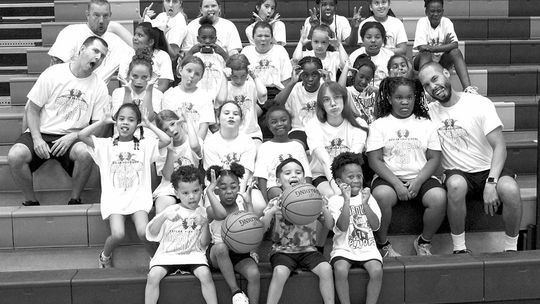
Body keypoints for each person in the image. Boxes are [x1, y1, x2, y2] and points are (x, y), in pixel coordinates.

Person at [418, 62, 523, 253]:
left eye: (435, 79)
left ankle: (511, 249)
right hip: (458, 173)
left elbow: (500, 146)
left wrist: (491, 183)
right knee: (456, 184)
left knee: (511, 189)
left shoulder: (479, 103)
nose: (433, 87)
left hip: (487, 170)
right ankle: (459, 249)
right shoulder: (429, 114)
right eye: (426, 85)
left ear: (446, 73)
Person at [8, 36, 110, 207]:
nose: (98, 58)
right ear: (82, 49)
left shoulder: (99, 86)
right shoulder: (53, 73)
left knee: (85, 153)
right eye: (95, 51)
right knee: (15, 155)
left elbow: (98, 126)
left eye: (103, 56)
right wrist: (37, 138)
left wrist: (75, 136)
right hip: (42, 132)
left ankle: (75, 199)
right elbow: (32, 109)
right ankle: (30, 201)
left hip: (73, 137)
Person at [78, 103, 170, 267]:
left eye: (131, 120)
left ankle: (155, 259)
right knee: (118, 234)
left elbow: (166, 140)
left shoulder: (144, 145)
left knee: (144, 232)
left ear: (137, 124)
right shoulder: (105, 144)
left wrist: (149, 125)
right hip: (114, 200)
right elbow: (82, 135)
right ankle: (105, 256)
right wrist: (101, 122)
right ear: (115, 121)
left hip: (138, 199)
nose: (125, 123)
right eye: (121, 119)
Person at [367, 76, 446, 257]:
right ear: (389, 98)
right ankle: (382, 244)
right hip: (389, 177)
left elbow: (434, 158)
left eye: (409, 97)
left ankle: (424, 242)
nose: (404, 102)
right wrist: (396, 184)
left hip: (420, 176)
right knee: (381, 195)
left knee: (438, 197)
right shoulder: (379, 125)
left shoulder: (426, 124)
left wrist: (418, 181)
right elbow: (375, 160)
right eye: (399, 97)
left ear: (415, 98)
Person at [260, 158, 335, 304]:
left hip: (309, 250)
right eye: (287, 173)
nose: (294, 175)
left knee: (326, 268)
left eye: (298, 172)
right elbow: (262, 228)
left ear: (304, 178)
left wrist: (323, 207)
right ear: (278, 180)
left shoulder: (313, 200)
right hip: (282, 251)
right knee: (279, 272)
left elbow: (330, 225)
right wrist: (271, 212)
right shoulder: (275, 202)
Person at [144, 165, 217, 304]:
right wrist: (163, 216)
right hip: (167, 256)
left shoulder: (203, 213)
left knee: (205, 274)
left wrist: (205, 224)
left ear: (201, 189)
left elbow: (204, 244)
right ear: (177, 193)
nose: (191, 196)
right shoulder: (171, 210)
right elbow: (152, 233)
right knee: (153, 276)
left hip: (193, 255)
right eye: (185, 193)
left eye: (195, 191)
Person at [328, 152, 382, 304]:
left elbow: (376, 226)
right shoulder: (334, 201)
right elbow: (343, 227)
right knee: (340, 269)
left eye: (359, 176)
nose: (357, 180)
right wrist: (346, 201)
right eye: (351, 177)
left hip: (368, 248)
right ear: (339, 181)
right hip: (343, 249)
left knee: (376, 270)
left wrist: (365, 204)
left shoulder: (368, 197)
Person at [205, 163, 260, 304]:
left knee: (254, 274)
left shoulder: (242, 205)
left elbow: (254, 227)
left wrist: (249, 204)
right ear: (216, 190)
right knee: (222, 247)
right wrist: (209, 191)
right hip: (217, 254)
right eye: (223, 188)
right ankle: (235, 291)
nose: (229, 191)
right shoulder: (211, 209)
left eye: (233, 187)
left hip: (239, 253)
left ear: (238, 187)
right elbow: (221, 214)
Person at [305, 81, 368, 198]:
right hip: (322, 175)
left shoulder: (359, 123)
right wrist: (337, 190)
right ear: (321, 104)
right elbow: (324, 161)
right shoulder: (313, 124)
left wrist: (347, 186)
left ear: (344, 99)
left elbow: (353, 158)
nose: (333, 103)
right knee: (331, 195)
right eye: (326, 100)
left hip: (350, 174)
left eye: (337, 97)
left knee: (357, 196)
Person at [48, 0, 131, 83]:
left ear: (110, 16)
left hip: (97, 93)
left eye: (105, 16)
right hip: (67, 89)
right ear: (87, 15)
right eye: (96, 15)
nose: (101, 21)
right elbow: (54, 70)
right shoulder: (71, 32)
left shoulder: (118, 43)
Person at [413, 0, 478, 94]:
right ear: (426, 12)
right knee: (426, 53)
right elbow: (422, 48)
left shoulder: (447, 22)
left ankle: (468, 89)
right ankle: (424, 91)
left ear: (442, 11)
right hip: (422, 60)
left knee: (455, 52)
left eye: (439, 11)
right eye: (432, 11)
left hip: (442, 59)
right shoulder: (422, 22)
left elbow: (454, 44)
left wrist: (432, 48)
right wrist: (445, 46)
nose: (435, 14)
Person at [254, 106, 312, 202]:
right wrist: (264, 201)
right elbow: (262, 176)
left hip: (298, 187)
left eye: (283, 120)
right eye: (274, 122)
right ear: (269, 126)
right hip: (274, 187)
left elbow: (307, 173)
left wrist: (309, 192)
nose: (279, 124)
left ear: (290, 123)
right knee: (280, 194)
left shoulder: (297, 146)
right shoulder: (265, 147)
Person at [153, 110, 202, 213]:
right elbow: (168, 176)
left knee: (194, 209)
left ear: (179, 121)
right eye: (166, 129)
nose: (171, 130)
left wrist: (188, 120)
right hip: (169, 187)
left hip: (191, 185)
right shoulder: (162, 147)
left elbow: (195, 146)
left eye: (173, 124)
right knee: (163, 206)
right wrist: (170, 151)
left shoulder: (193, 140)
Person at [274, 56, 324, 150]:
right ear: (300, 75)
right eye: (305, 75)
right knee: (295, 148)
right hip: (300, 130)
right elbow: (276, 104)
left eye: (314, 75)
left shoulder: (326, 87)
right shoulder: (294, 88)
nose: (310, 79)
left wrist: (328, 82)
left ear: (320, 74)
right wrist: (292, 82)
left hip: (322, 129)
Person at [162, 56, 216, 140]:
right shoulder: (169, 94)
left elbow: (204, 127)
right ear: (180, 70)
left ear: (201, 78)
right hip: (177, 142)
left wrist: (197, 145)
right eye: (189, 71)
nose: (192, 75)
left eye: (197, 74)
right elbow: (169, 125)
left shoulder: (205, 96)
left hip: (200, 141)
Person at [112, 49, 163, 128]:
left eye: (144, 77)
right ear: (128, 74)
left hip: (148, 136)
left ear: (150, 77)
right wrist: (127, 93)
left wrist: (149, 91)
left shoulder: (157, 94)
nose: (139, 81)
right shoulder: (118, 92)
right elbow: (125, 119)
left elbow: (147, 119)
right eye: (135, 76)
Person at [118, 22, 174, 92]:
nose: (135, 38)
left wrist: (148, 97)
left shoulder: (163, 56)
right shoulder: (127, 55)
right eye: (135, 34)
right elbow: (123, 82)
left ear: (150, 42)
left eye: (140, 35)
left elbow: (163, 85)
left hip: (154, 97)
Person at [225, 54, 268, 145]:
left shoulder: (251, 85)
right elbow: (220, 100)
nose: (239, 80)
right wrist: (224, 77)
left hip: (252, 133)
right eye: (235, 76)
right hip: (230, 134)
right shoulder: (226, 87)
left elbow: (263, 94)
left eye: (243, 76)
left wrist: (254, 76)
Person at [241, 21, 292, 98]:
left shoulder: (280, 50)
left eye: (267, 36)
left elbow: (286, 80)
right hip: (252, 93)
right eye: (259, 36)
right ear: (253, 37)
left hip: (275, 94)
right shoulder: (246, 51)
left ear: (272, 38)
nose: (263, 39)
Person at [184, 17, 229, 102]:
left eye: (211, 38)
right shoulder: (195, 56)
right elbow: (181, 69)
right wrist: (191, 52)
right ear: (198, 39)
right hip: (197, 97)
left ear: (216, 39)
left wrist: (223, 53)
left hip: (217, 96)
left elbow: (232, 69)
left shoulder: (220, 56)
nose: (207, 41)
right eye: (204, 38)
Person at [349, 22, 394, 88]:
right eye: (369, 37)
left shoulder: (390, 56)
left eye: (377, 37)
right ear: (362, 39)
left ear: (383, 39)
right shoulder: (355, 56)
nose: (373, 40)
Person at [338, 54, 377, 125]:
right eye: (361, 77)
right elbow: (339, 90)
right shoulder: (349, 91)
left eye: (368, 79)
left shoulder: (374, 93)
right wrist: (346, 69)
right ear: (354, 74)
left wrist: (377, 93)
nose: (364, 81)